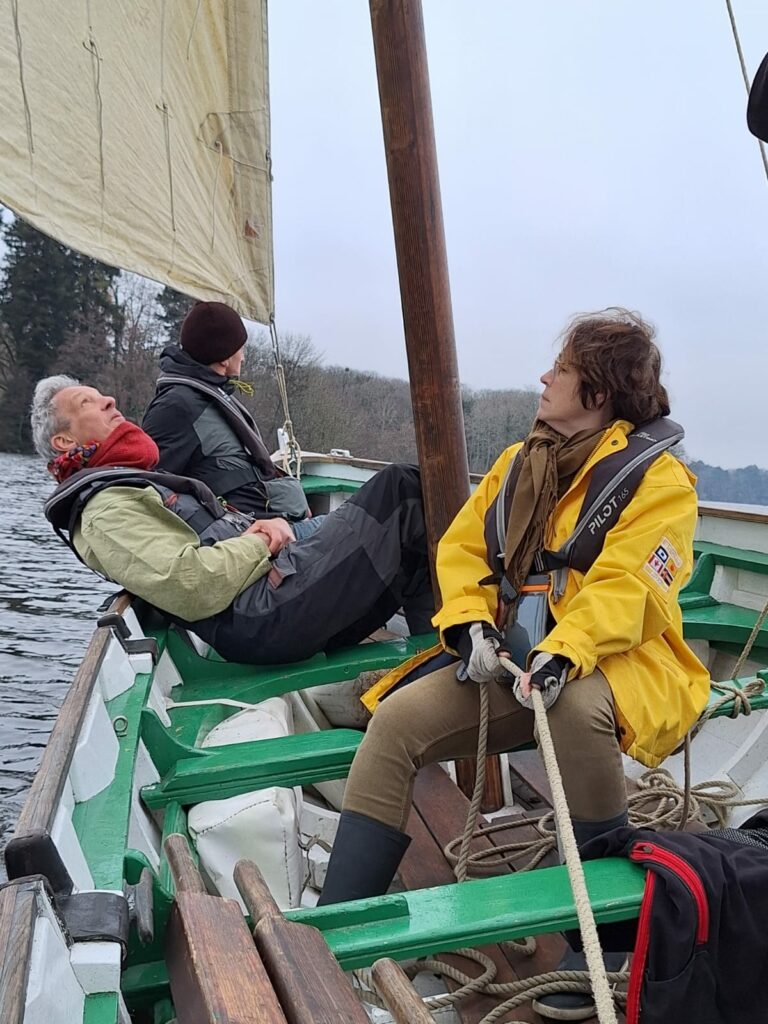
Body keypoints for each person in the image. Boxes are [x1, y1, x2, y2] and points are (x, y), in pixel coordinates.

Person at [316, 309, 710, 1022]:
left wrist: (566, 650)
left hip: (619, 665)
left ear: (598, 393)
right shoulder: (517, 464)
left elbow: (633, 589)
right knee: (397, 721)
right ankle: (336, 929)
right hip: (514, 661)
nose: (544, 378)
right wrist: (468, 622)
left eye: (561, 369)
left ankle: (603, 943)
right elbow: (465, 550)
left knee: (576, 708)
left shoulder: (662, 483)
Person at [32, 376, 434, 664]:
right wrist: (262, 540)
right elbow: (190, 584)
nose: (108, 400)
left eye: (101, 395)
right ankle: (447, 669)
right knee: (403, 492)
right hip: (262, 615)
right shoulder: (104, 511)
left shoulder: (128, 485)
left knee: (410, 547)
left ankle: (438, 662)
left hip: (274, 588)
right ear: (64, 442)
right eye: (87, 403)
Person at [142, 300, 322, 539]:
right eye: (241, 349)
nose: (243, 358)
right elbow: (149, 481)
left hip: (277, 522)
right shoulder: (177, 406)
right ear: (224, 358)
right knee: (360, 525)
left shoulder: (206, 396)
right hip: (255, 534)